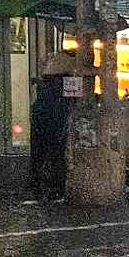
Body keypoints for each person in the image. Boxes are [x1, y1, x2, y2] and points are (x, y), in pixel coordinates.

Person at [31, 54, 75, 202]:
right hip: (54, 120)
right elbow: (71, 104)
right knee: (56, 154)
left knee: (42, 154)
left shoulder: (46, 82)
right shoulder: (66, 81)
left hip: (44, 120)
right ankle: (54, 188)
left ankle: (41, 188)